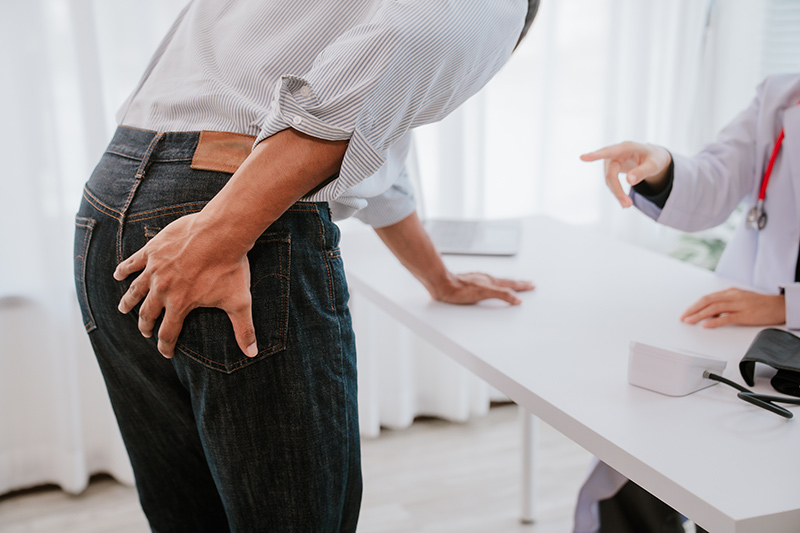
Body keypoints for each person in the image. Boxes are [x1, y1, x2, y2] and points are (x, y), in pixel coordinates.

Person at [73, 1, 539, 531]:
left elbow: (368, 145)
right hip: (229, 210)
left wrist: (438, 277)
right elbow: (410, 38)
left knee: (188, 513)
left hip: (113, 200)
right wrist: (218, 235)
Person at [574, 73, 800, 532]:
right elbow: (716, 179)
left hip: (774, 329)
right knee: (666, 475)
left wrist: (786, 306)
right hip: (759, 343)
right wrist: (660, 167)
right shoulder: (782, 95)